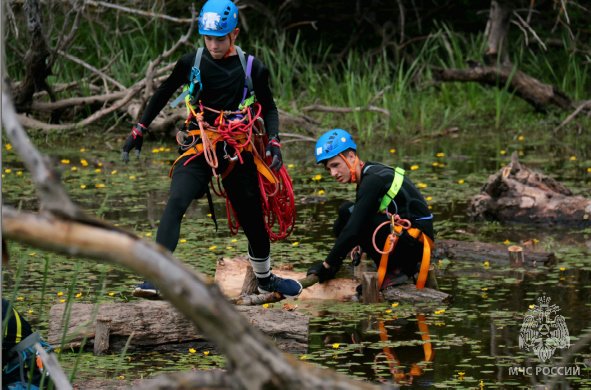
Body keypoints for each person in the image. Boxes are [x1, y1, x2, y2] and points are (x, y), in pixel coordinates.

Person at [121, 0, 301, 299]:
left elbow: (269, 108)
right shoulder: (192, 61)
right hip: (199, 144)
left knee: (252, 219)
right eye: (208, 38)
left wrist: (274, 140)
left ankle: (266, 278)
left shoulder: (253, 68)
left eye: (220, 38)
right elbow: (162, 94)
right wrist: (139, 129)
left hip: (236, 147)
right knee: (177, 200)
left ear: (235, 35)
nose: (214, 45)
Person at [307, 129, 434, 291]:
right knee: (345, 211)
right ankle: (392, 265)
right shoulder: (369, 173)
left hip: (416, 246)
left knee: (354, 223)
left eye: (335, 165)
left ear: (351, 157)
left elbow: (353, 228)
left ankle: (398, 271)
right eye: (328, 169)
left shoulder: (372, 180)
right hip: (407, 239)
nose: (333, 173)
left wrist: (327, 265)